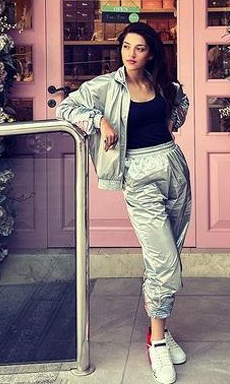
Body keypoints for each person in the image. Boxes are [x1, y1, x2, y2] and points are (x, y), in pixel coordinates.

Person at [56, 21, 191, 384]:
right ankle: (158, 343)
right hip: (137, 173)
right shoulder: (105, 85)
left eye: (140, 48)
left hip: (172, 165)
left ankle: (158, 328)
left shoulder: (162, 84)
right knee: (163, 259)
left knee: (170, 252)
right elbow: (65, 109)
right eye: (127, 46)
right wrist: (99, 120)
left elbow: (180, 105)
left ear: (151, 54)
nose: (131, 54)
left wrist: (171, 123)